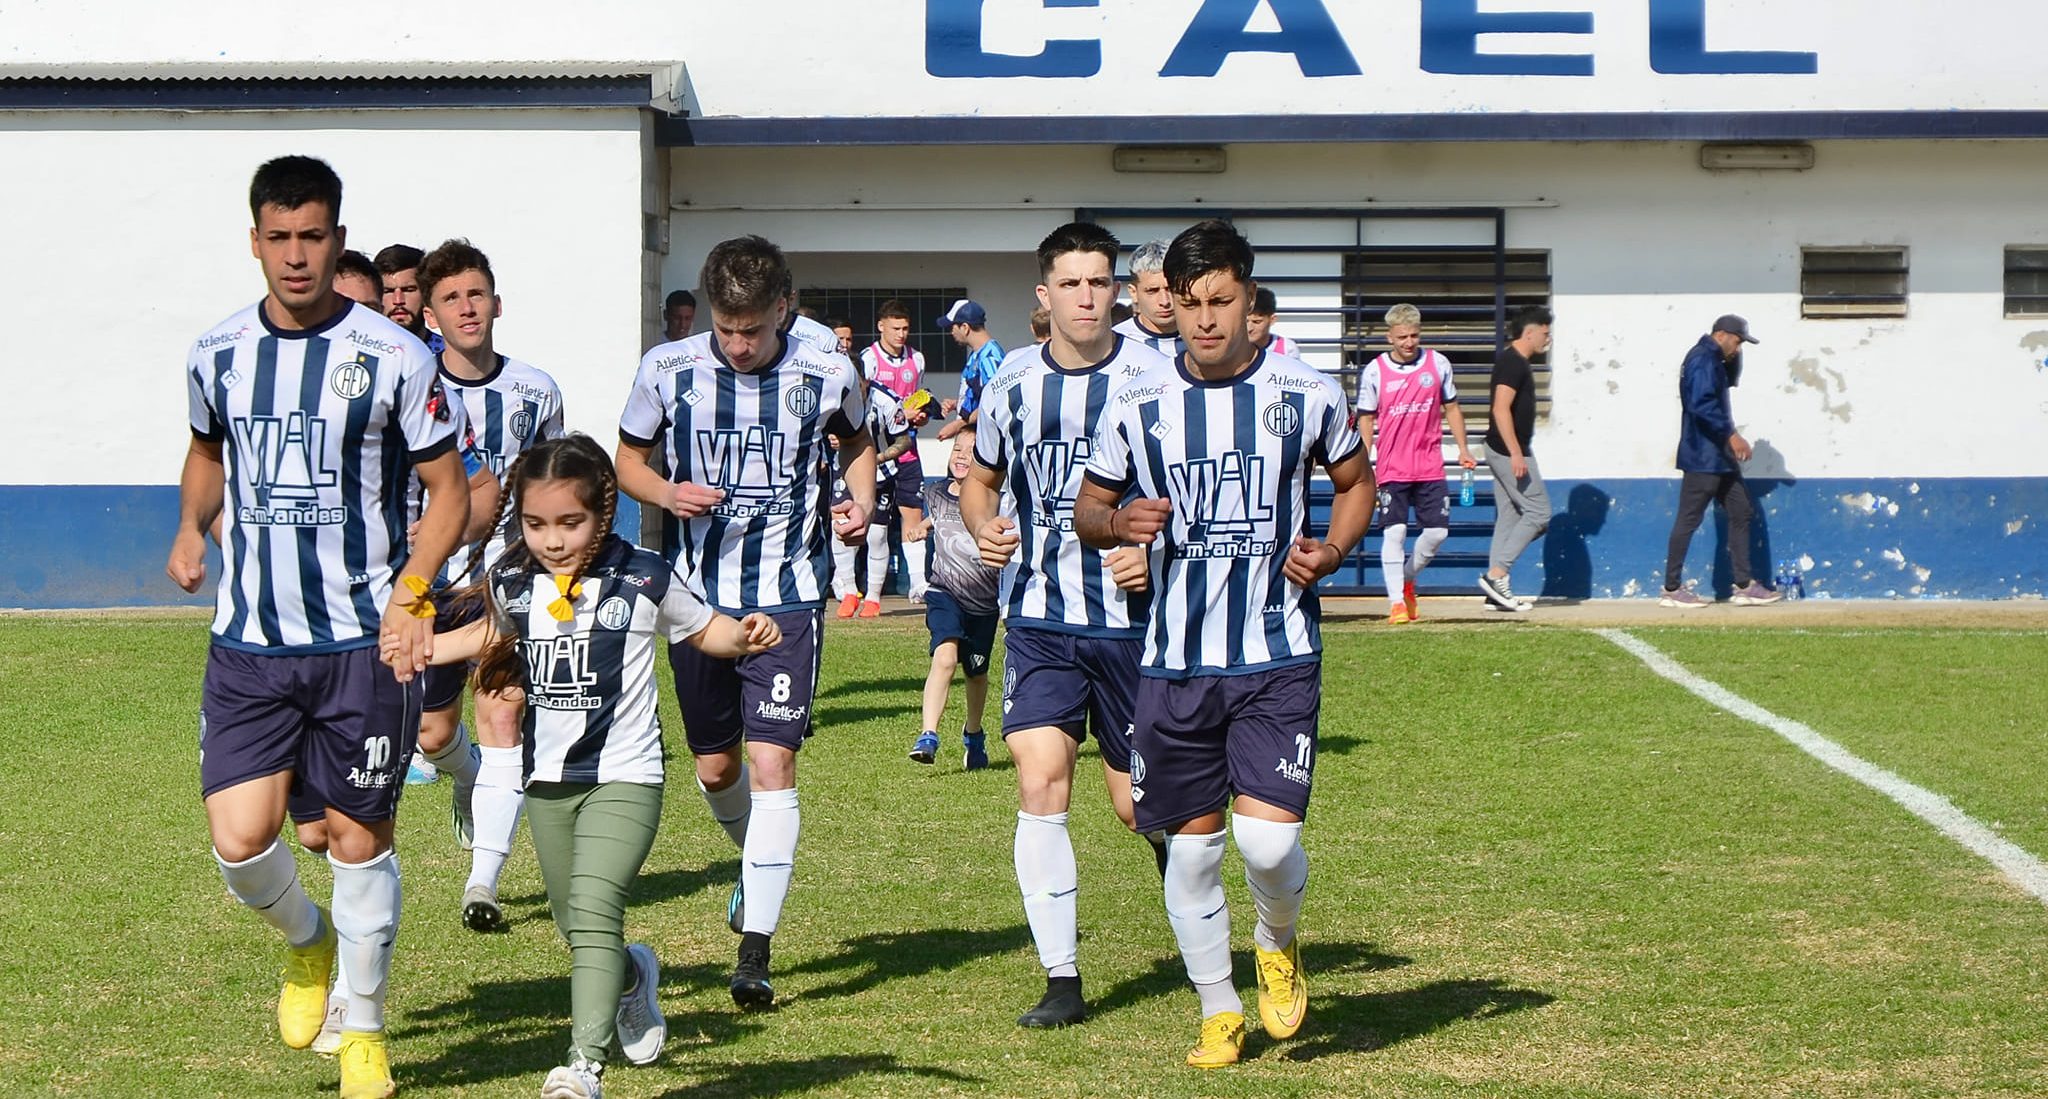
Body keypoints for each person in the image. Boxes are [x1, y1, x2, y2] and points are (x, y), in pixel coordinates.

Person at [167, 155, 470, 1099]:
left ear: (338, 241)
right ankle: (310, 944)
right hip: (250, 642)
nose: (296, 256)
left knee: (358, 833)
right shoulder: (216, 352)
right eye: (279, 237)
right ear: (254, 241)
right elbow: (205, 453)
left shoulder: (393, 355)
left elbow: (450, 491)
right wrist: (189, 524)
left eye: (313, 237)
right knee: (241, 840)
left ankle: (366, 1027)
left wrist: (412, 593)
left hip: (361, 644)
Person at [391, 435, 781, 1099]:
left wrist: (744, 635)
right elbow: (491, 632)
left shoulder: (645, 575)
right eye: (537, 524)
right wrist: (420, 644)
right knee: (577, 925)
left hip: (626, 778)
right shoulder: (513, 578)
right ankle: (632, 979)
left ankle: (583, 1067)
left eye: (569, 523)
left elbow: (703, 628)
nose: (552, 539)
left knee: (596, 910)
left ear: (602, 512)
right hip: (546, 782)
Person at [1073, 219, 1372, 1070]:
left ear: (1248, 300)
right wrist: (1116, 520)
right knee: (1194, 850)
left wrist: (1335, 551)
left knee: (1268, 845)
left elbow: (1356, 483)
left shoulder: (1304, 392)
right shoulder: (1136, 402)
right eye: (1188, 302)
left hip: (1276, 654)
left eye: (1220, 301)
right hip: (1170, 663)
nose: (1203, 319)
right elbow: (1091, 508)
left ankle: (1277, 941)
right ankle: (1218, 1006)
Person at [616, 234, 875, 1010]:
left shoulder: (828, 367)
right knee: (717, 769)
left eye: (753, 331)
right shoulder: (667, 369)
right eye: (726, 330)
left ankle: (755, 951)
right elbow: (628, 458)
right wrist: (666, 495)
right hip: (696, 602)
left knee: (772, 766)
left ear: (783, 309)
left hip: (788, 595)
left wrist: (859, 503)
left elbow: (857, 438)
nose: (738, 345)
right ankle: (754, 867)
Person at [962, 221, 1172, 1030]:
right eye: (1072, 283)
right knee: (1039, 779)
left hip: (1136, 625)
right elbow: (982, 478)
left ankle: (1199, 906)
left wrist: (1152, 553)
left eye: (1100, 281)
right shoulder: (1012, 382)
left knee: (1138, 807)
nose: (1089, 296)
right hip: (1043, 617)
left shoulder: (1158, 378)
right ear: (1043, 297)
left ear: (1115, 290)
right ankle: (1062, 976)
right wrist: (983, 524)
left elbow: (1190, 494)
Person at [413, 237, 566, 931]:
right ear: (429, 312)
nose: (466, 308)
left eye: (476, 294)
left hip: (510, 586)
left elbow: (556, 485)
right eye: (451, 298)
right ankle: (466, 778)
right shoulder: (411, 385)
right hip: (430, 586)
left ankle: (484, 880)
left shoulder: (537, 391)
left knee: (502, 715)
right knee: (431, 731)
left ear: (496, 303)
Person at [1357, 303, 1476, 623]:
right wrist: (1364, 462)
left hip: (1429, 465)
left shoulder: (1438, 364)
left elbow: (1452, 408)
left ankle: (1406, 578)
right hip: (1392, 467)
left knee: (1437, 533)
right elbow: (1366, 419)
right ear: (1389, 337)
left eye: (1414, 335)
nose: (1409, 342)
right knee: (1394, 533)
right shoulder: (1375, 371)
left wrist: (1463, 448)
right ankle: (1397, 603)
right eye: (1402, 337)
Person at [1661, 315, 1782, 608]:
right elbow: (1700, 404)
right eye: (1737, 341)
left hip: (1719, 458)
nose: (1738, 348)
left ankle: (1743, 585)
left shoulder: (1715, 359)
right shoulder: (1702, 359)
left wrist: (1732, 357)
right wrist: (1731, 435)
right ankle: (1671, 589)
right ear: (1721, 334)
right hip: (1703, 455)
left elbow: (1730, 383)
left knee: (1741, 510)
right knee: (1689, 519)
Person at [907, 427, 1002, 768]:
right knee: (945, 657)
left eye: (972, 450)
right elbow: (945, 514)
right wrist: (924, 527)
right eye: (957, 449)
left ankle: (973, 735)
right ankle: (928, 734)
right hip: (944, 592)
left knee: (976, 674)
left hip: (984, 601)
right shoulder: (933, 492)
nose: (962, 455)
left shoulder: (997, 498)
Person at [1479, 306, 1554, 612]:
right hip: (1508, 450)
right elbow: (1500, 409)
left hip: (1506, 448)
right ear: (1529, 332)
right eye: (1545, 333)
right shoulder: (1513, 363)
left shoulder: (1517, 363)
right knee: (1539, 514)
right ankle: (1497, 576)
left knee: (1510, 516)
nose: (1547, 339)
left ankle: (1493, 594)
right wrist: (1515, 453)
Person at [860, 300, 932, 601]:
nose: (901, 334)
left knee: (911, 512)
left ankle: (917, 583)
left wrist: (923, 413)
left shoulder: (917, 359)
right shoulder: (869, 359)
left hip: (908, 449)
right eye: (895, 328)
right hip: (877, 450)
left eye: (905, 328)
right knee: (873, 522)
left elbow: (918, 399)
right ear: (881, 327)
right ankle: (858, 588)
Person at [832, 372, 917, 619]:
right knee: (840, 526)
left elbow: (904, 442)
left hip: (882, 474)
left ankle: (873, 598)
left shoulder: (887, 401)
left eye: (859, 386)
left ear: (866, 381)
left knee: (877, 535)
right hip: (845, 470)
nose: (855, 392)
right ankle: (848, 591)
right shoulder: (836, 395)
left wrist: (875, 458)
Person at [936, 299, 1004, 442]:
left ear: (965, 327)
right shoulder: (977, 354)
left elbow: (995, 402)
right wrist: (958, 404)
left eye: (952, 327)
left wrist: (959, 424)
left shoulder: (989, 358)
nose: (951, 332)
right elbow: (981, 396)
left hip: (984, 440)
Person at [1112, 239, 1183, 358]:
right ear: (1133, 293)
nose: (1164, 301)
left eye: (1170, 289)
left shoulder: (1204, 337)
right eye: (1152, 291)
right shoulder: (1115, 342)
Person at [374, 243, 443, 354]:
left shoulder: (449, 354)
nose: (398, 301)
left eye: (408, 290)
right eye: (388, 291)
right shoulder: (361, 350)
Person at [1246, 288, 1300, 358]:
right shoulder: (1232, 347)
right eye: (1245, 321)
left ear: (1272, 320)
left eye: (1257, 322)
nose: (1249, 328)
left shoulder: (1287, 348)